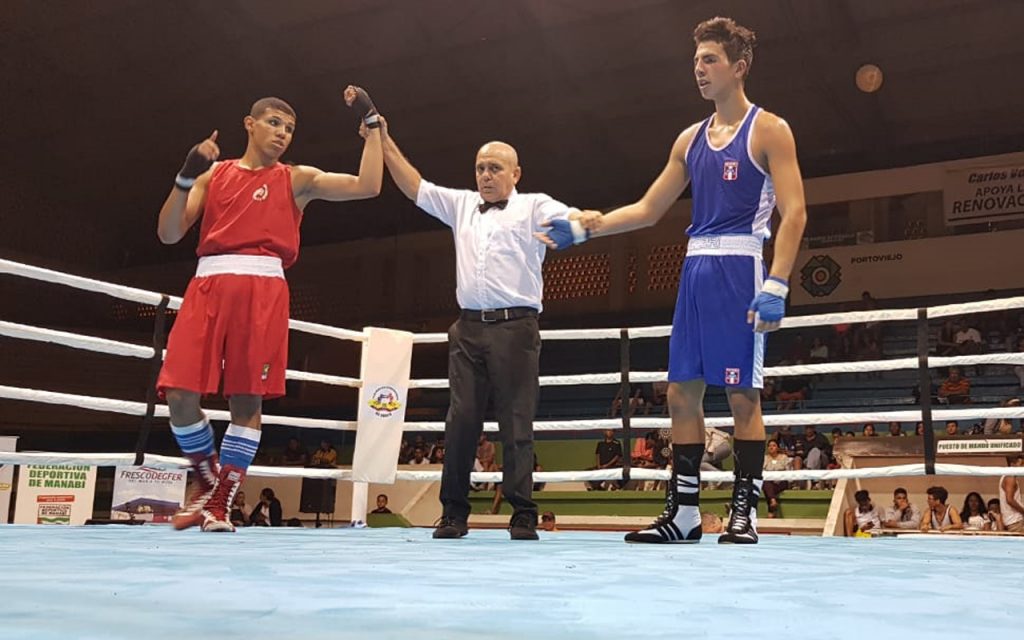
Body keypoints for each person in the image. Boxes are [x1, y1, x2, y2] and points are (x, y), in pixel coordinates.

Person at [539, 17, 806, 545]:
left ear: (739, 67)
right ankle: (684, 515)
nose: (700, 70)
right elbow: (646, 208)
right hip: (695, 267)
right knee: (680, 393)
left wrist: (777, 282)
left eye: (709, 61)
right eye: (696, 62)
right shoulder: (690, 139)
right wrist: (588, 227)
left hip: (741, 264)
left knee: (742, 397)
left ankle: (743, 515)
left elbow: (794, 214)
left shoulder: (770, 129)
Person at [157, 88, 383, 533]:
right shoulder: (214, 176)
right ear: (250, 123)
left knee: (246, 399)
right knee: (180, 394)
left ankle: (220, 502)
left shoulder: (296, 178)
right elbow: (167, 234)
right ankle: (207, 482)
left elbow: (367, 186)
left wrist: (373, 126)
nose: (282, 133)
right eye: (274, 123)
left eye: (290, 128)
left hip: (263, 288)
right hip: (207, 283)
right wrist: (185, 177)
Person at [377, 117, 580, 542]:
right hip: (468, 329)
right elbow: (413, 185)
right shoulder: (462, 204)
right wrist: (383, 138)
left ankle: (523, 513)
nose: (486, 176)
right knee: (461, 422)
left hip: (516, 328)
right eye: (480, 168)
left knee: (517, 423)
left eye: (495, 168)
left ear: (515, 174)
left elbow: (569, 219)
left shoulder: (535, 205)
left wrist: (573, 227)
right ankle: (453, 513)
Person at [1000, 454, 1024, 532]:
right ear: (1013, 464)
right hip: (1015, 521)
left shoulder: (1007, 476)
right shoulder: (1010, 477)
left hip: (1013, 520)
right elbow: (1010, 500)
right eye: (1021, 464)